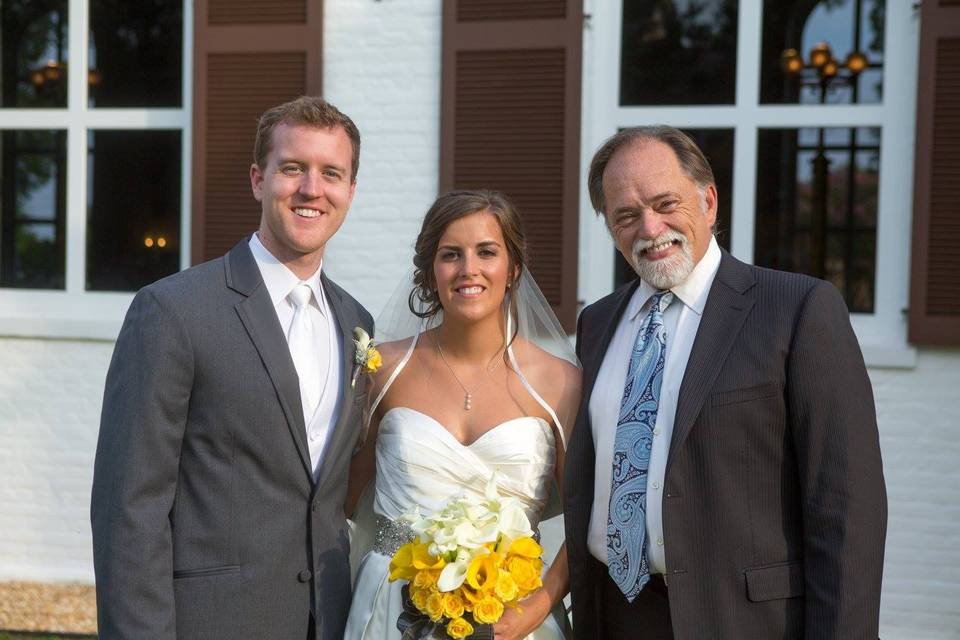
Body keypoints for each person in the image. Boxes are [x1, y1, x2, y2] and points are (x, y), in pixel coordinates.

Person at [563, 126, 887, 639]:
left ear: (709, 201)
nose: (650, 227)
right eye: (626, 215)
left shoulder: (797, 309)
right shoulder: (597, 324)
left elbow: (844, 507)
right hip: (616, 614)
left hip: (744, 621)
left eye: (666, 203)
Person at [90, 96, 372, 639]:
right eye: (293, 168)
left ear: (350, 192)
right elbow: (129, 509)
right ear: (257, 180)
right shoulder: (172, 311)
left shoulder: (355, 324)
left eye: (331, 173)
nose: (312, 189)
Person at [343, 190, 581, 640]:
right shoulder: (383, 370)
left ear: (512, 269)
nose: (468, 269)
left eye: (486, 252)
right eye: (451, 255)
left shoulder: (559, 383)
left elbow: (586, 513)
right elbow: (341, 503)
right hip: (392, 612)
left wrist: (536, 609)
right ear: (431, 273)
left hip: (511, 618)